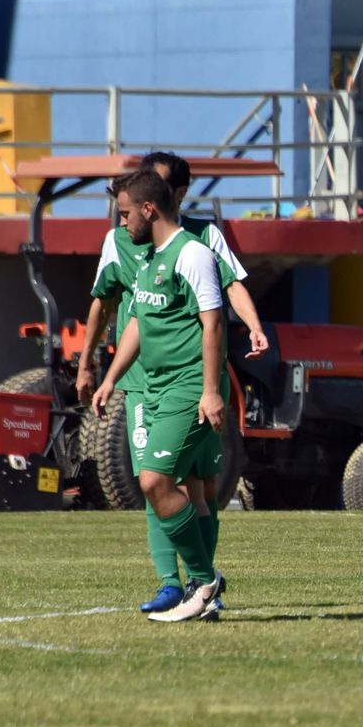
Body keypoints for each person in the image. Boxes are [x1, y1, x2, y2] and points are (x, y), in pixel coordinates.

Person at [77, 163, 267, 614]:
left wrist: (212, 388)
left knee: (183, 483)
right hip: (151, 387)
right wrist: (104, 376)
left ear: (157, 202)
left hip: (190, 385)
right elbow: (130, 316)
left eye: (125, 213)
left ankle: (202, 581)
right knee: (158, 483)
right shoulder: (139, 253)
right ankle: (182, 583)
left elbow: (215, 317)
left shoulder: (197, 247)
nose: (120, 223)